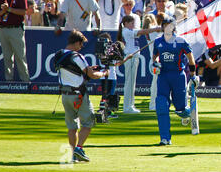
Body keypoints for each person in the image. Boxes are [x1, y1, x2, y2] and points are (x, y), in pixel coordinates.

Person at [54, 29, 110, 163]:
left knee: (72, 127)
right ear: (77, 42)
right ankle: (79, 149)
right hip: (78, 95)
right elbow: (91, 75)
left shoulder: (58, 54)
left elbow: (75, 71)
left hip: (65, 95)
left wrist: (90, 69)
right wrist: (104, 74)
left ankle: (73, 154)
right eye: (81, 45)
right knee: (88, 123)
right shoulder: (77, 56)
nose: (81, 47)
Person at [151, 15, 200, 145]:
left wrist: (193, 75)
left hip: (178, 76)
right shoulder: (157, 41)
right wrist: (155, 63)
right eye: (164, 25)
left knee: (181, 109)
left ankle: (187, 113)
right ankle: (165, 138)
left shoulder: (181, 41)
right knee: (161, 105)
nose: (166, 27)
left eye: (169, 25)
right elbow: (155, 57)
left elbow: (190, 57)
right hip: (163, 76)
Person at [117, 15, 161, 114]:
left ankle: (130, 105)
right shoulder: (126, 31)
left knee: (132, 83)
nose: (133, 25)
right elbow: (142, 32)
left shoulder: (129, 31)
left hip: (133, 58)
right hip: (130, 58)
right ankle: (127, 107)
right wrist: (155, 29)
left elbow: (141, 32)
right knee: (130, 83)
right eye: (132, 23)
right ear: (126, 23)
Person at [0, 0, 30, 82]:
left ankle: (25, 81)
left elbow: (23, 11)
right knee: (7, 56)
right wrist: (3, 11)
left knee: (20, 56)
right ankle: (8, 81)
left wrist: (9, 9)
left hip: (16, 29)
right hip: (3, 29)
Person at [142, 13, 162, 110]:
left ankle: (154, 104)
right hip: (155, 62)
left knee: (156, 83)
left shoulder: (151, 30)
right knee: (155, 83)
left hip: (153, 62)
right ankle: (153, 105)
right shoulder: (153, 31)